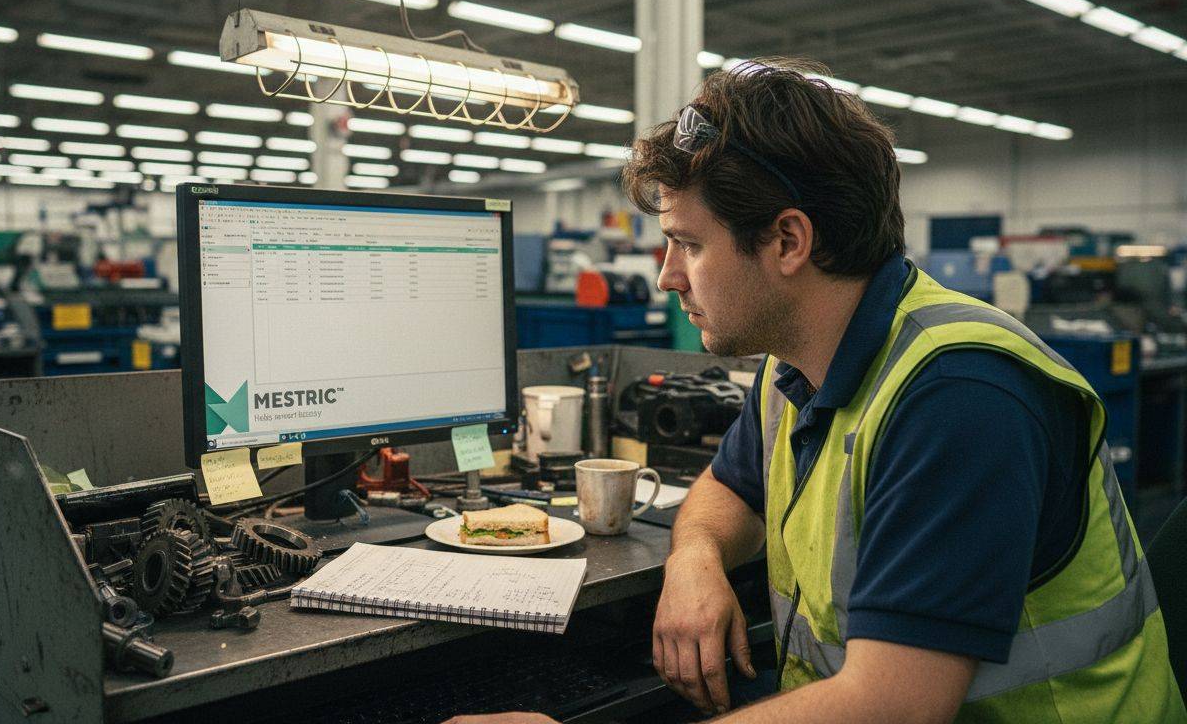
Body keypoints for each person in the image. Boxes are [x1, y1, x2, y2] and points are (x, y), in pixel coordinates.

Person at [447, 59, 1187, 724]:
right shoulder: (797, 363)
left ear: (788, 241)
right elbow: (726, 490)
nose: (670, 277)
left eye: (691, 244)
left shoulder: (961, 397)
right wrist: (695, 561)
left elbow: (894, 704)